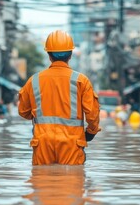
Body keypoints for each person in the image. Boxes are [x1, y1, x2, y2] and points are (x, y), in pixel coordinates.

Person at [18, 30, 101, 165]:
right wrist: (91, 132)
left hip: (42, 144)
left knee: (42, 182)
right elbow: (92, 114)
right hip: (72, 145)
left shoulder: (34, 81)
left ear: (49, 55)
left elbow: (23, 112)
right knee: (71, 181)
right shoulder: (81, 81)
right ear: (71, 55)